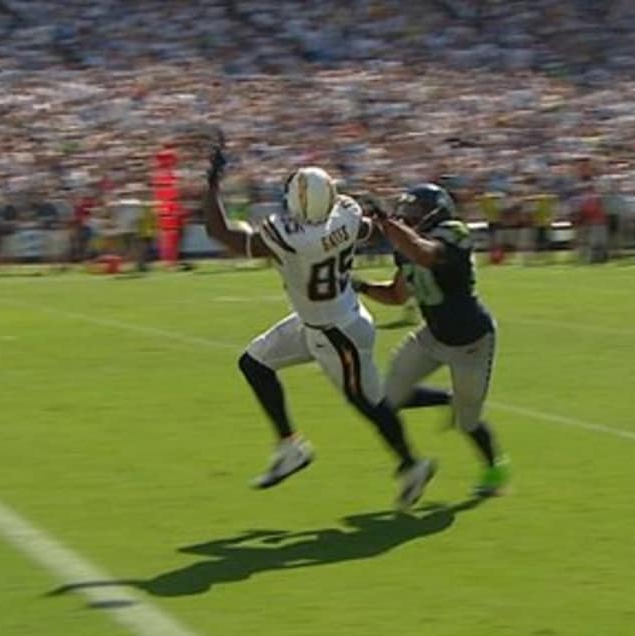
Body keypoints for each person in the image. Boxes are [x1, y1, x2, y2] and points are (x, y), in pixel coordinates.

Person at [202, 143, 436, 510]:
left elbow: (221, 233)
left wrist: (212, 185)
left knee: (367, 403)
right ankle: (290, 446)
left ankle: (413, 463)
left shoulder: (290, 237)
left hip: (336, 331)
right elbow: (369, 231)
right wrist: (382, 217)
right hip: (326, 318)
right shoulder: (344, 215)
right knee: (254, 363)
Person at [354, 184, 510, 497]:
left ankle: (495, 467)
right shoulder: (407, 243)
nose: (408, 216)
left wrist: (389, 225)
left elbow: (425, 254)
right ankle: (441, 410)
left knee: (468, 422)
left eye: (415, 211)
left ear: (436, 211)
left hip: (471, 342)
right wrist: (358, 285)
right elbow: (398, 295)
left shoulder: (454, 232)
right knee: (387, 399)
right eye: (406, 210)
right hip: (432, 336)